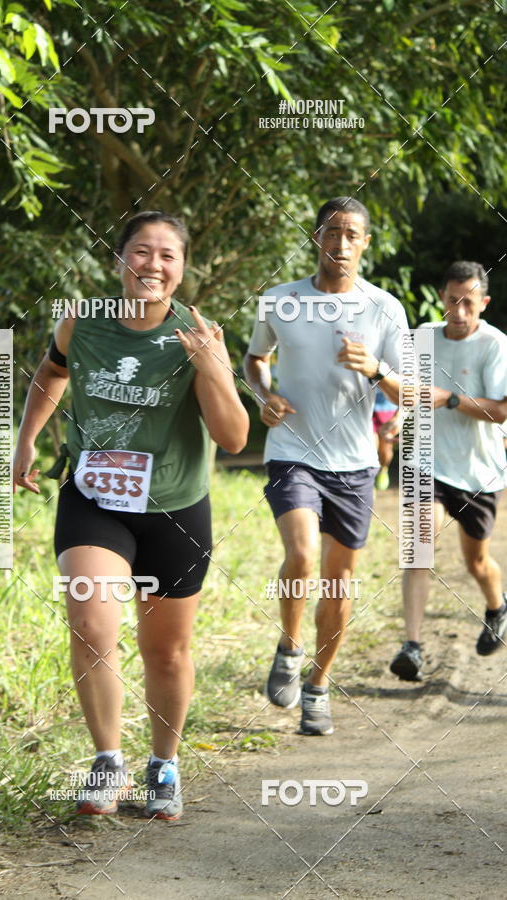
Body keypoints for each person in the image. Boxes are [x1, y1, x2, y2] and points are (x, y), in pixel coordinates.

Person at [13, 210, 249, 819]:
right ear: (120, 259)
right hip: (95, 500)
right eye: (141, 251)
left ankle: (163, 766)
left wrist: (211, 366)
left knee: (165, 650)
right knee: (92, 624)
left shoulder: (198, 334)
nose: (153, 265)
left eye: (168, 255)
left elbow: (233, 438)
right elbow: (52, 372)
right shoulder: (82, 322)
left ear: (182, 269)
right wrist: (27, 438)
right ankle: (108, 762)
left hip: (175, 508)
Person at [243, 197, 409, 735]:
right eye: (331, 232)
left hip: (355, 464)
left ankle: (317, 685)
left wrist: (374, 367)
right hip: (292, 452)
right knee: (302, 554)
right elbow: (254, 359)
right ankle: (290, 646)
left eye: (351, 234)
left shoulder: (385, 308)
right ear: (316, 237)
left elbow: (408, 391)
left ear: (365, 243)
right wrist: (263, 395)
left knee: (339, 582)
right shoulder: (280, 300)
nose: (340, 243)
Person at [387, 261, 507, 682]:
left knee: (477, 562)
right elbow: (407, 392)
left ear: (484, 303)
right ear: (441, 298)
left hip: (478, 470)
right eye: (453, 301)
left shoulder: (495, 344)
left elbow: (502, 411)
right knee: (418, 547)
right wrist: (395, 419)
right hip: (427, 462)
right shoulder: (422, 337)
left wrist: (450, 399)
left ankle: (497, 606)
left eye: (469, 303)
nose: (459, 311)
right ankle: (412, 646)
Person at [372, 389, 397, 490]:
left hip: (387, 407)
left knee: (385, 450)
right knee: (370, 447)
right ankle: (370, 479)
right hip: (364, 408)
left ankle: (383, 469)